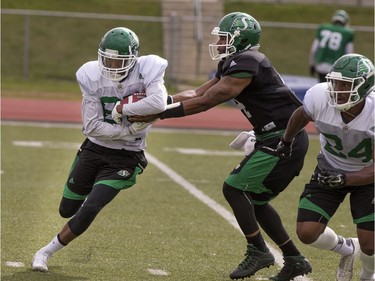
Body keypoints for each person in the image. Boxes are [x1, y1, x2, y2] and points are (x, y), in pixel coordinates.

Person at [129, 12, 312, 281]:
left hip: (284, 138)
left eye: (224, 38)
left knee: (234, 188)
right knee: (256, 201)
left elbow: (208, 101)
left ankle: (258, 250)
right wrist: (156, 103)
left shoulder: (248, 61)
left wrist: (158, 115)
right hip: (272, 136)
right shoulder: (236, 62)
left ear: (241, 39)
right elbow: (196, 94)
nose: (219, 42)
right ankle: (295, 260)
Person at [31, 27, 168, 272]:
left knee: (91, 207)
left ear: (134, 59)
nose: (113, 65)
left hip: (126, 157)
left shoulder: (150, 67)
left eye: (119, 60)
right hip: (94, 148)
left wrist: (121, 110)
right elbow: (92, 127)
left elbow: (159, 103)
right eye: (108, 59)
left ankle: (45, 251)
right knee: (67, 210)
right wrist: (128, 129)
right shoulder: (90, 74)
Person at [273, 53, 374, 281]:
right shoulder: (319, 97)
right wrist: (286, 141)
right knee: (307, 232)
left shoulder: (373, 113)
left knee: (370, 245)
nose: (337, 88)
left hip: (367, 177)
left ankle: (368, 274)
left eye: (345, 84)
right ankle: (347, 248)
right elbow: (301, 114)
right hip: (330, 168)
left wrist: (346, 179)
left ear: (363, 87)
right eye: (335, 82)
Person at [309, 9, 354, 83]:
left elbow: (313, 50)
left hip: (321, 66)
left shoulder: (323, 28)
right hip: (337, 68)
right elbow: (349, 55)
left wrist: (312, 65)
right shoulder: (347, 33)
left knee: (321, 88)